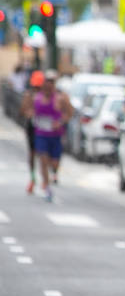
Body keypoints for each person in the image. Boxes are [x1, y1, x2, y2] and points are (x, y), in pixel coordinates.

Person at [28, 73, 71, 202]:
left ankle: (53, 173)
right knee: (43, 160)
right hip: (41, 134)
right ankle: (46, 186)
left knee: (54, 164)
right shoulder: (36, 98)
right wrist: (30, 114)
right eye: (45, 86)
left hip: (55, 136)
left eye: (50, 86)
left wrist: (60, 122)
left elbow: (69, 113)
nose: (47, 88)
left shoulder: (60, 98)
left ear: (53, 87)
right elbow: (27, 110)